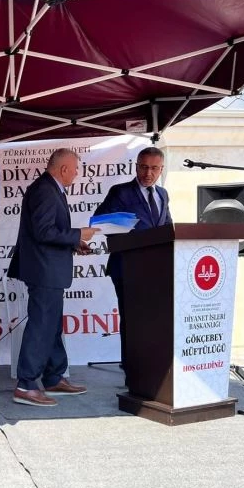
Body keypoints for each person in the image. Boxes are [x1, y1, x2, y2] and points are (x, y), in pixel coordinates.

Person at [7, 149, 98, 407]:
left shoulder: (49, 188)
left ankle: (53, 377)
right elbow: (44, 231)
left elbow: (49, 232)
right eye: (76, 169)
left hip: (48, 268)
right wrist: (78, 233)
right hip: (43, 270)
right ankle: (25, 385)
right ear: (64, 169)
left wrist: (74, 242)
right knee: (42, 326)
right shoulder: (45, 190)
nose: (78, 174)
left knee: (52, 324)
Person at [92, 147, 172, 380]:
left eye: (154, 168)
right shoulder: (121, 192)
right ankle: (132, 369)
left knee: (153, 319)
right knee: (132, 318)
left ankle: (153, 365)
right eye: (144, 167)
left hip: (156, 269)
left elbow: (166, 226)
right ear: (136, 166)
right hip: (128, 267)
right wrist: (129, 235)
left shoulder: (163, 194)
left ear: (161, 170)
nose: (148, 173)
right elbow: (101, 221)